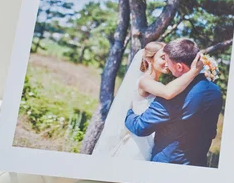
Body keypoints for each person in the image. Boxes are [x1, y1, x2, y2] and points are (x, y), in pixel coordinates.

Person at [92, 41, 202, 160]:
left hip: (152, 142)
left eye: (169, 58)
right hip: (137, 145)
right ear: (149, 59)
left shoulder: (157, 84)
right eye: (162, 58)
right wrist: (193, 72)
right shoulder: (144, 82)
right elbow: (168, 92)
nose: (167, 62)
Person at [125, 38, 223, 166]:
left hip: (168, 165)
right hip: (199, 163)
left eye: (168, 60)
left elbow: (140, 127)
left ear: (179, 66)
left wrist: (127, 113)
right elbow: (212, 132)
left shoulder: (174, 96)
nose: (166, 64)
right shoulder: (215, 91)